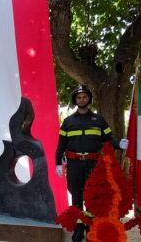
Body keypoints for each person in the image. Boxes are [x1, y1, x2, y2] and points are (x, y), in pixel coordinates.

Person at [55, 85, 129, 242]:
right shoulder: (68, 122)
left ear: (89, 99)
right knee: (76, 195)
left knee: (92, 198)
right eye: (79, 97)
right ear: (75, 100)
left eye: (85, 97)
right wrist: (57, 163)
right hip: (74, 164)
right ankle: (78, 228)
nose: (82, 99)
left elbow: (109, 139)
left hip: (93, 165)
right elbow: (61, 144)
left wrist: (119, 145)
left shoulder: (99, 120)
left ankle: (91, 227)